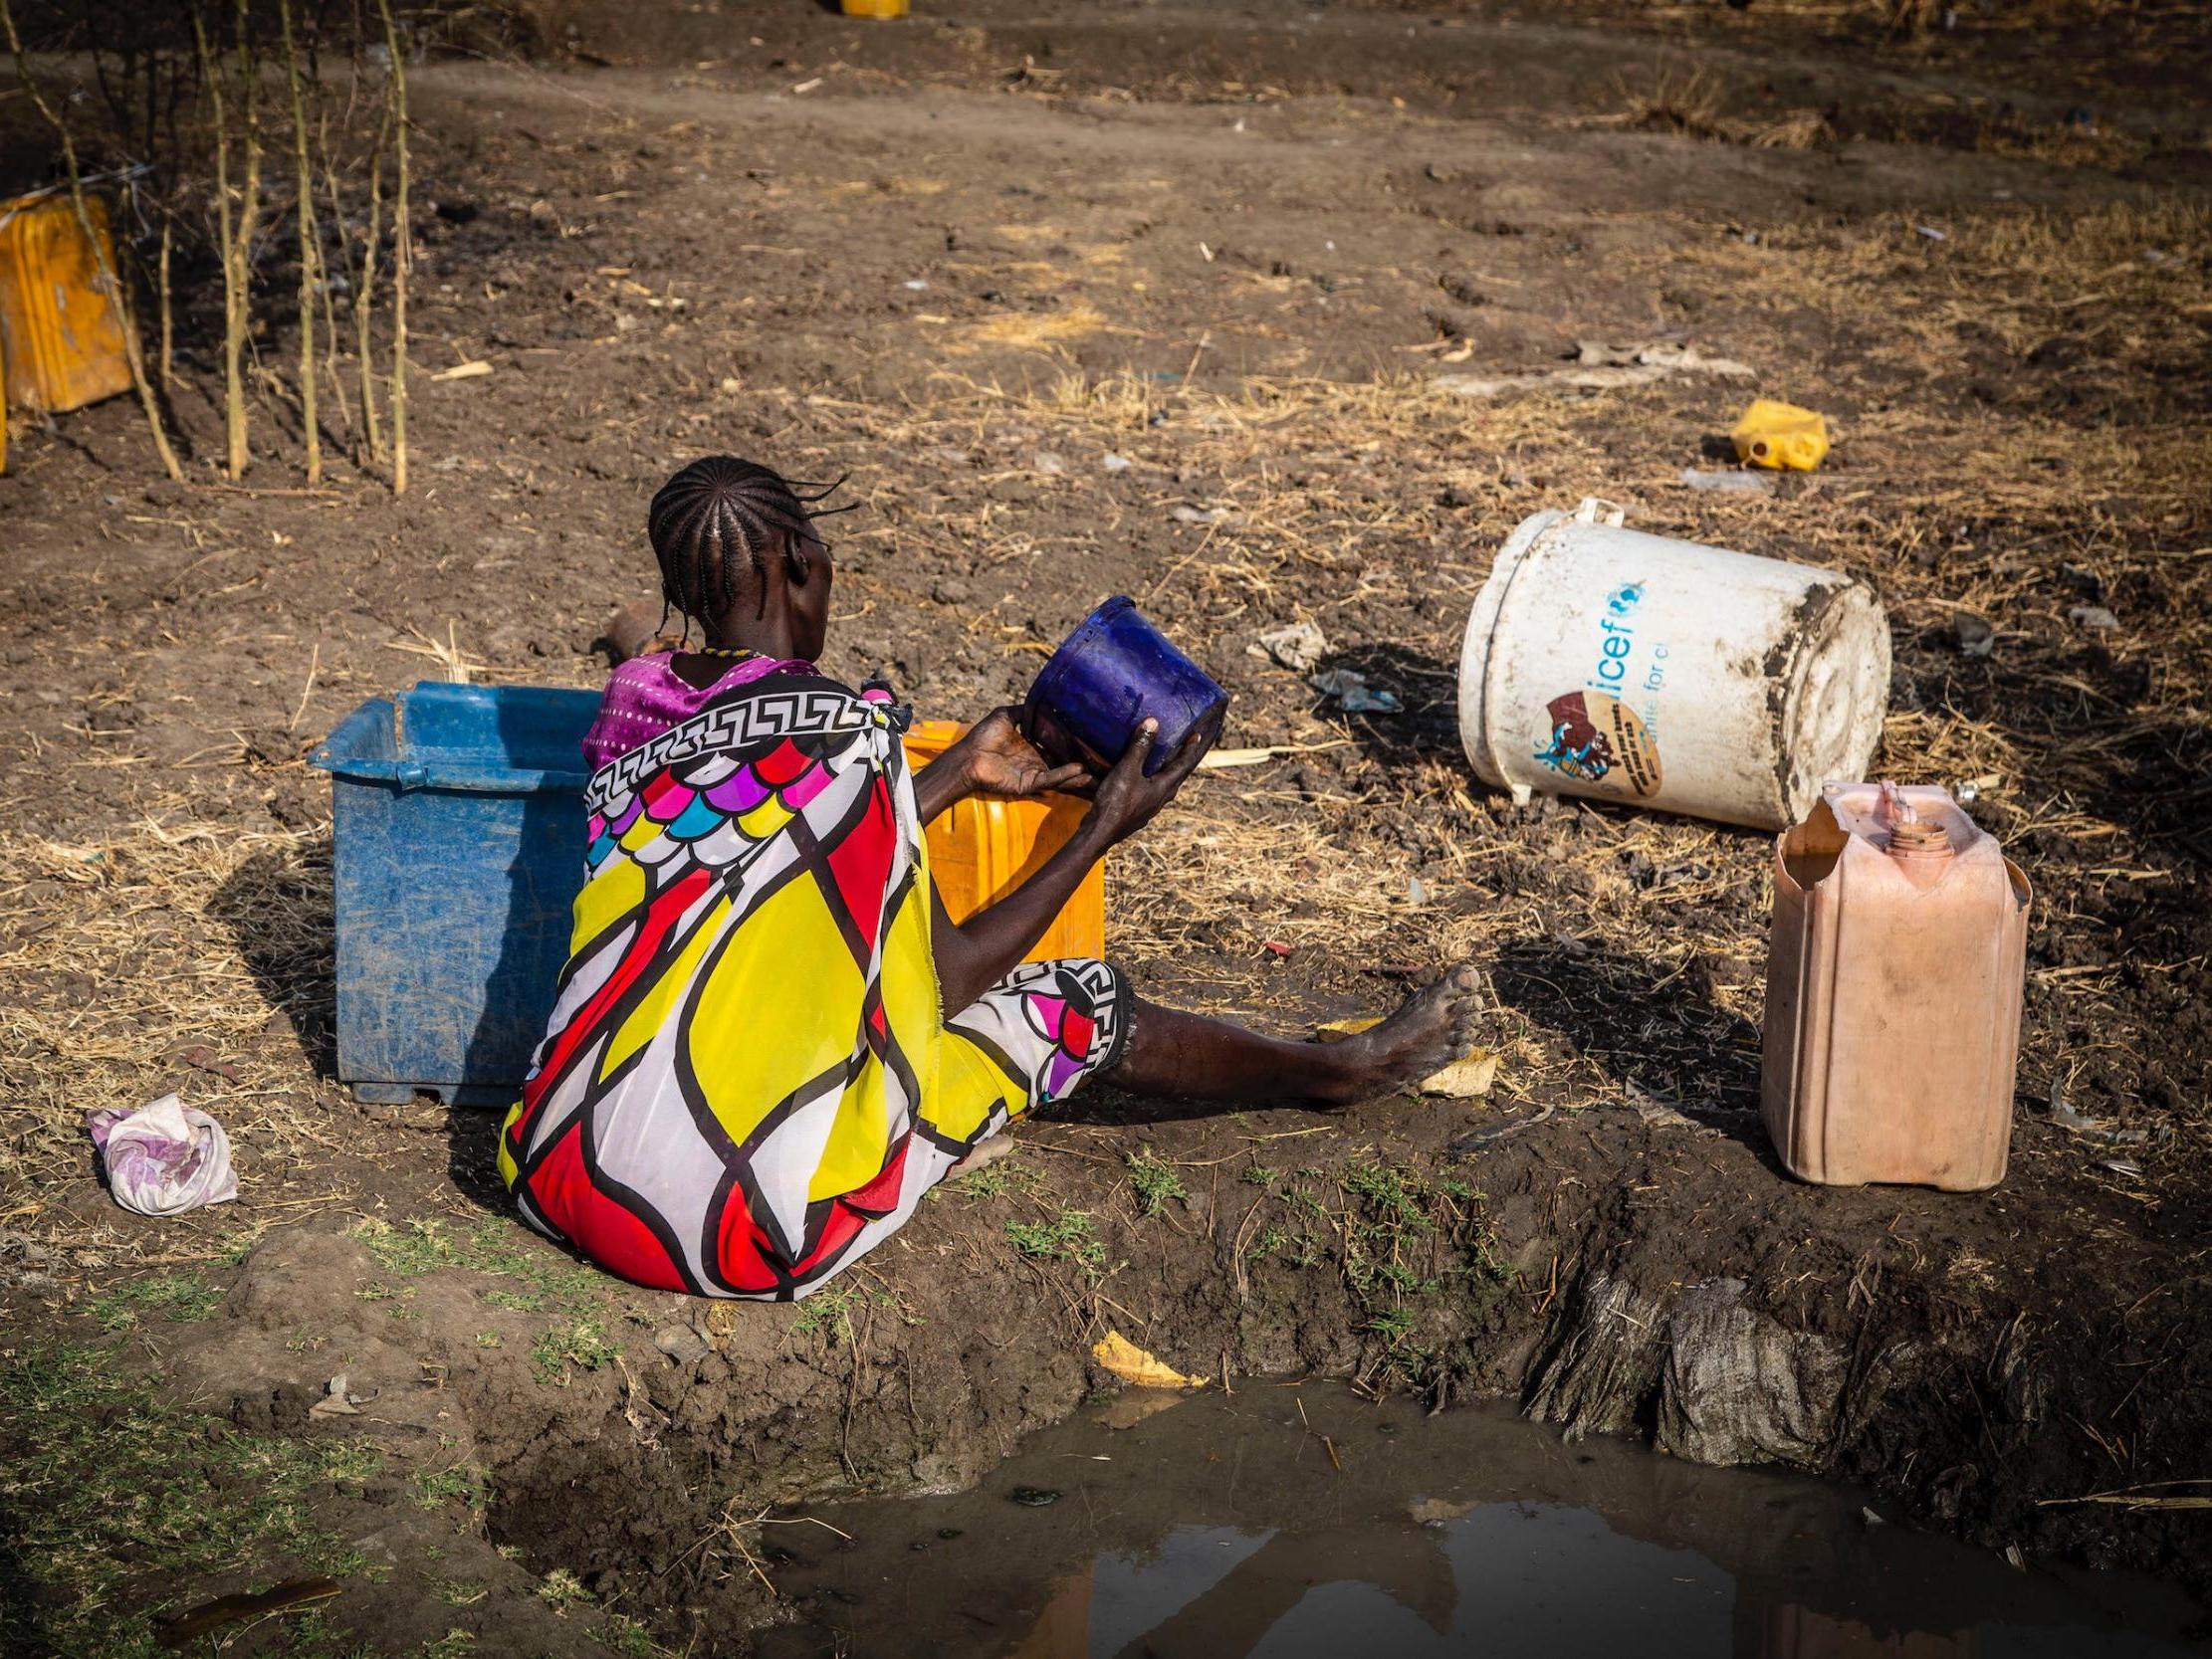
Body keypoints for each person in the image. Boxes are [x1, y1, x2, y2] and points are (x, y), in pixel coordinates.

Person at [500, 456, 1483, 1300]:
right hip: (726, 1228)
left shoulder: (633, 723)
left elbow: (763, 840)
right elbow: (953, 973)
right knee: (1073, 1000)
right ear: (805, 562)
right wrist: (1100, 826)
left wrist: (955, 769)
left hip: (552, 1167)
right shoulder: (849, 742)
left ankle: (1329, 1066)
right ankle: (1334, 1073)